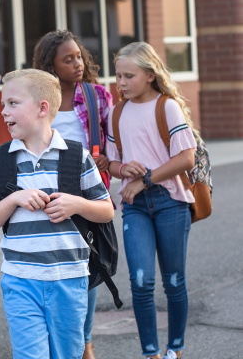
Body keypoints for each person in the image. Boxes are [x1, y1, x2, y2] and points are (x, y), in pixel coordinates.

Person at [0, 69, 114, 359]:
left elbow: (106, 211)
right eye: (3, 104)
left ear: (42, 108)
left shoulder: (78, 156)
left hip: (69, 279)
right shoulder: (0, 159)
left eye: (12, 103)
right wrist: (14, 198)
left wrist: (76, 205)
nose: (3, 111)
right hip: (20, 279)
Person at [106, 42, 196, 359]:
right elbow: (111, 162)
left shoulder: (167, 107)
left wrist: (144, 180)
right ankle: (150, 353)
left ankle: (175, 349)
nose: (122, 83)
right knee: (141, 281)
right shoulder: (115, 113)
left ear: (149, 74)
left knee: (173, 281)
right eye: (118, 76)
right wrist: (122, 168)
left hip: (171, 201)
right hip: (136, 208)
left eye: (129, 76)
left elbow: (186, 157)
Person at [32, 29, 114, 359]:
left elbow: (113, 142)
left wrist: (108, 159)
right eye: (68, 59)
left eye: (79, 56)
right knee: (51, 270)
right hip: (45, 202)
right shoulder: (37, 101)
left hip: (87, 200)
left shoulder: (97, 97)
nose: (77, 63)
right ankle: (64, 337)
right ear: (50, 66)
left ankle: (85, 339)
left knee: (87, 269)